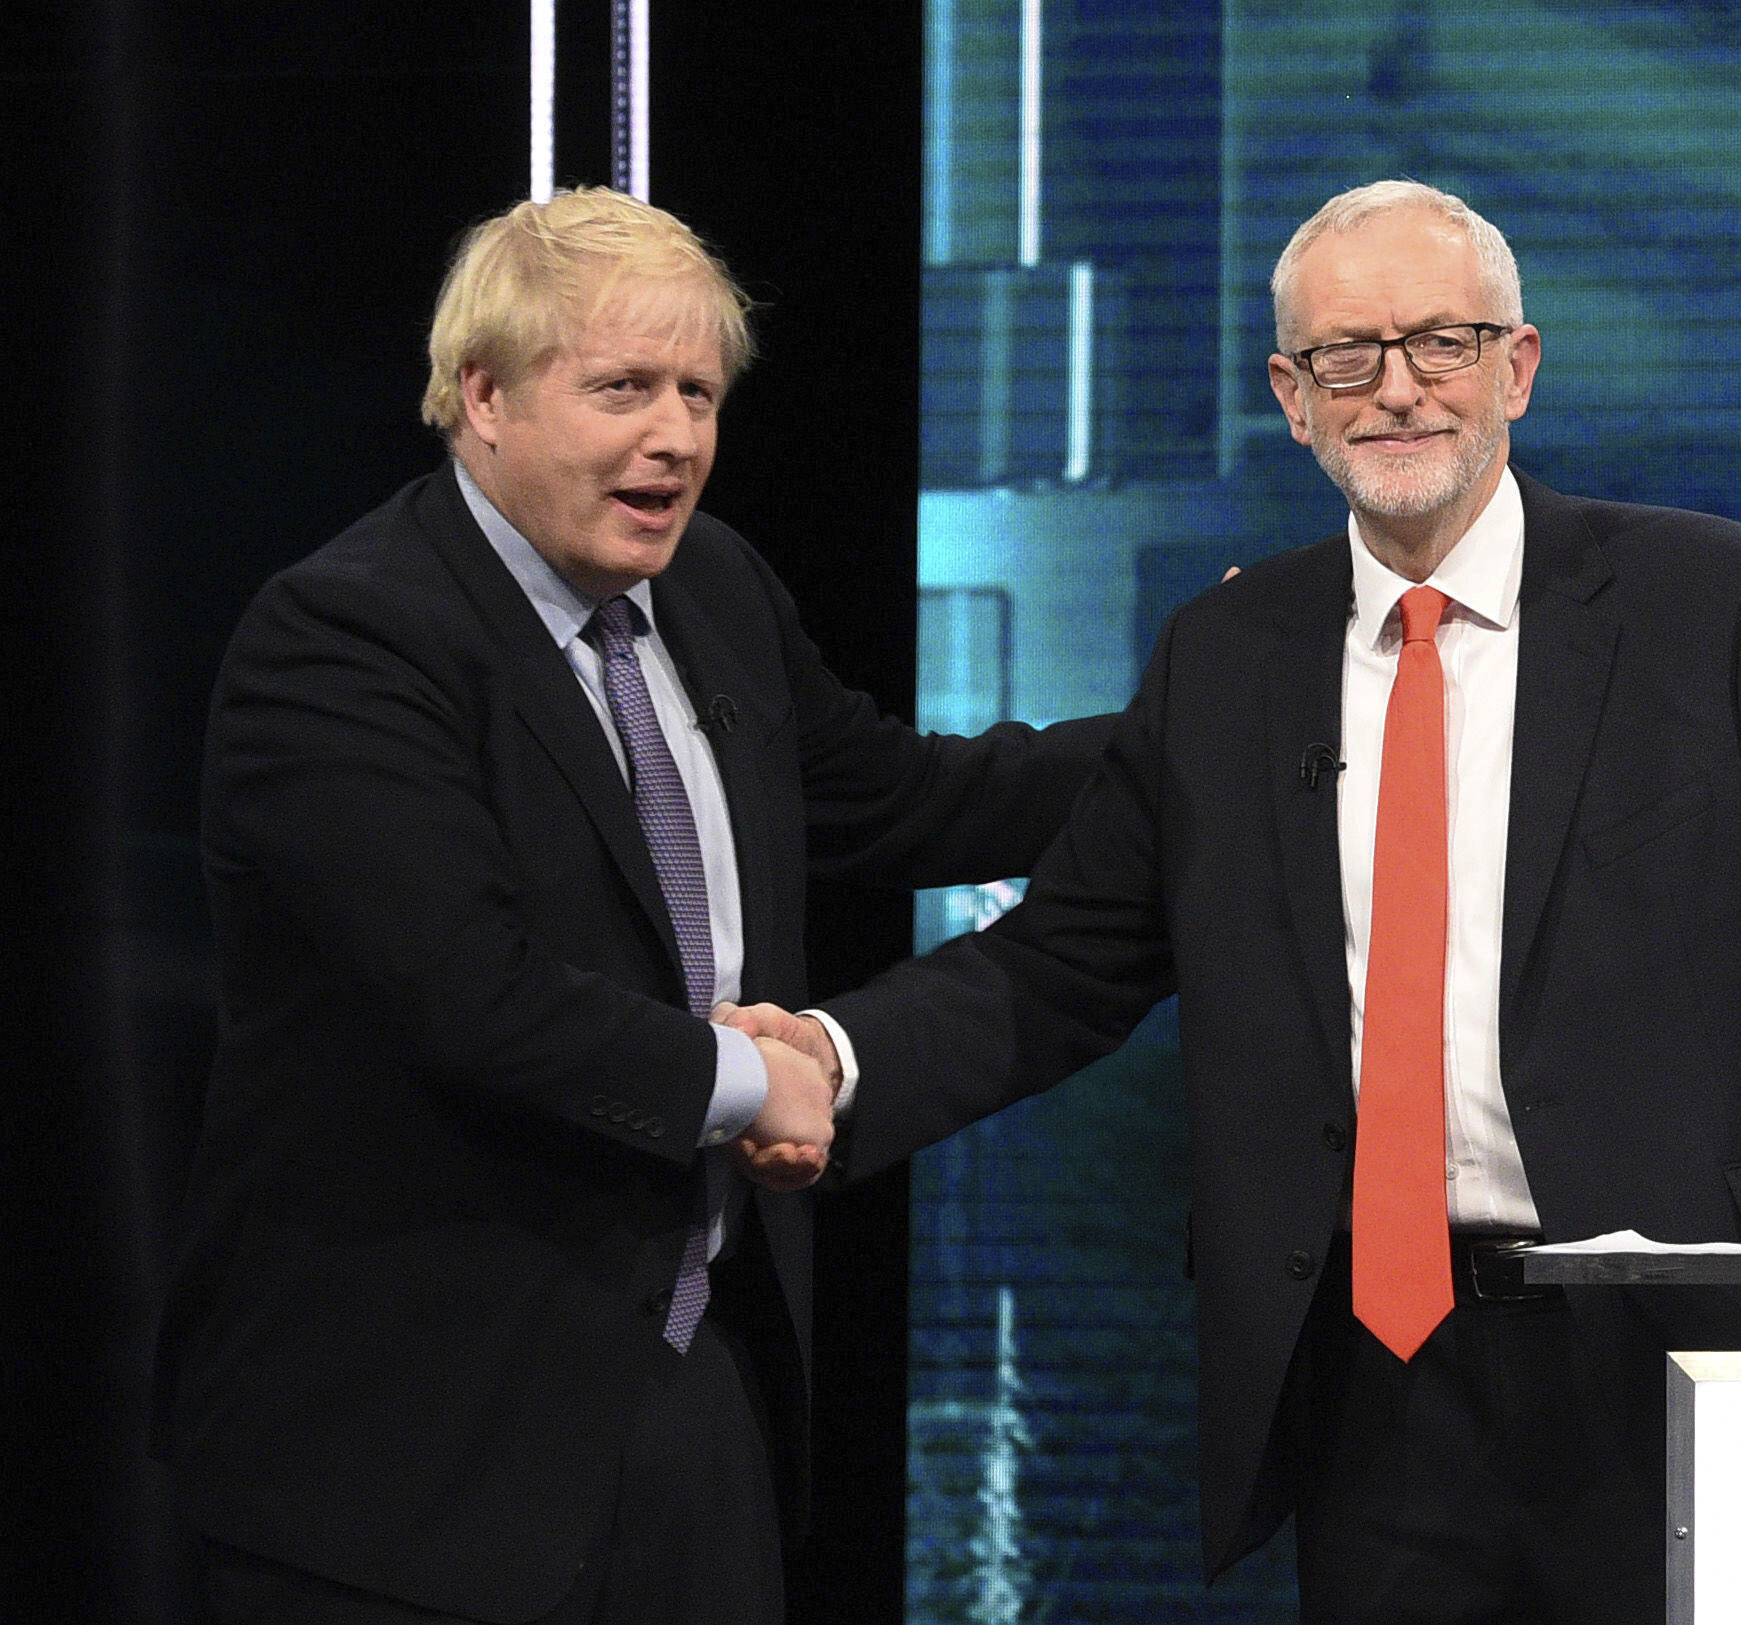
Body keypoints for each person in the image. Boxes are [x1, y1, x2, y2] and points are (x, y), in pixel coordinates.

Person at [731, 181, 1741, 1622]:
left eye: (1441, 341)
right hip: (1371, 1371)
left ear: (1517, 367)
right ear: (1290, 401)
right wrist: (834, 1060)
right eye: (1347, 355)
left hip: (1677, 1347)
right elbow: (1065, 960)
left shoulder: (1711, 602)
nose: (1398, 386)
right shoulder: (1227, 656)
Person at [150, 188, 1112, 1624]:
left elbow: (901, 800)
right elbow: (473, 996)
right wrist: (760, 1082)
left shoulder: (712, 585)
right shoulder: (348, 637)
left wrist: (1192, 728)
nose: (673, 436)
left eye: (697, 393)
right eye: (622, 389)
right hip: (411, 1453)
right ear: (483, 395)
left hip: (690, 1403)